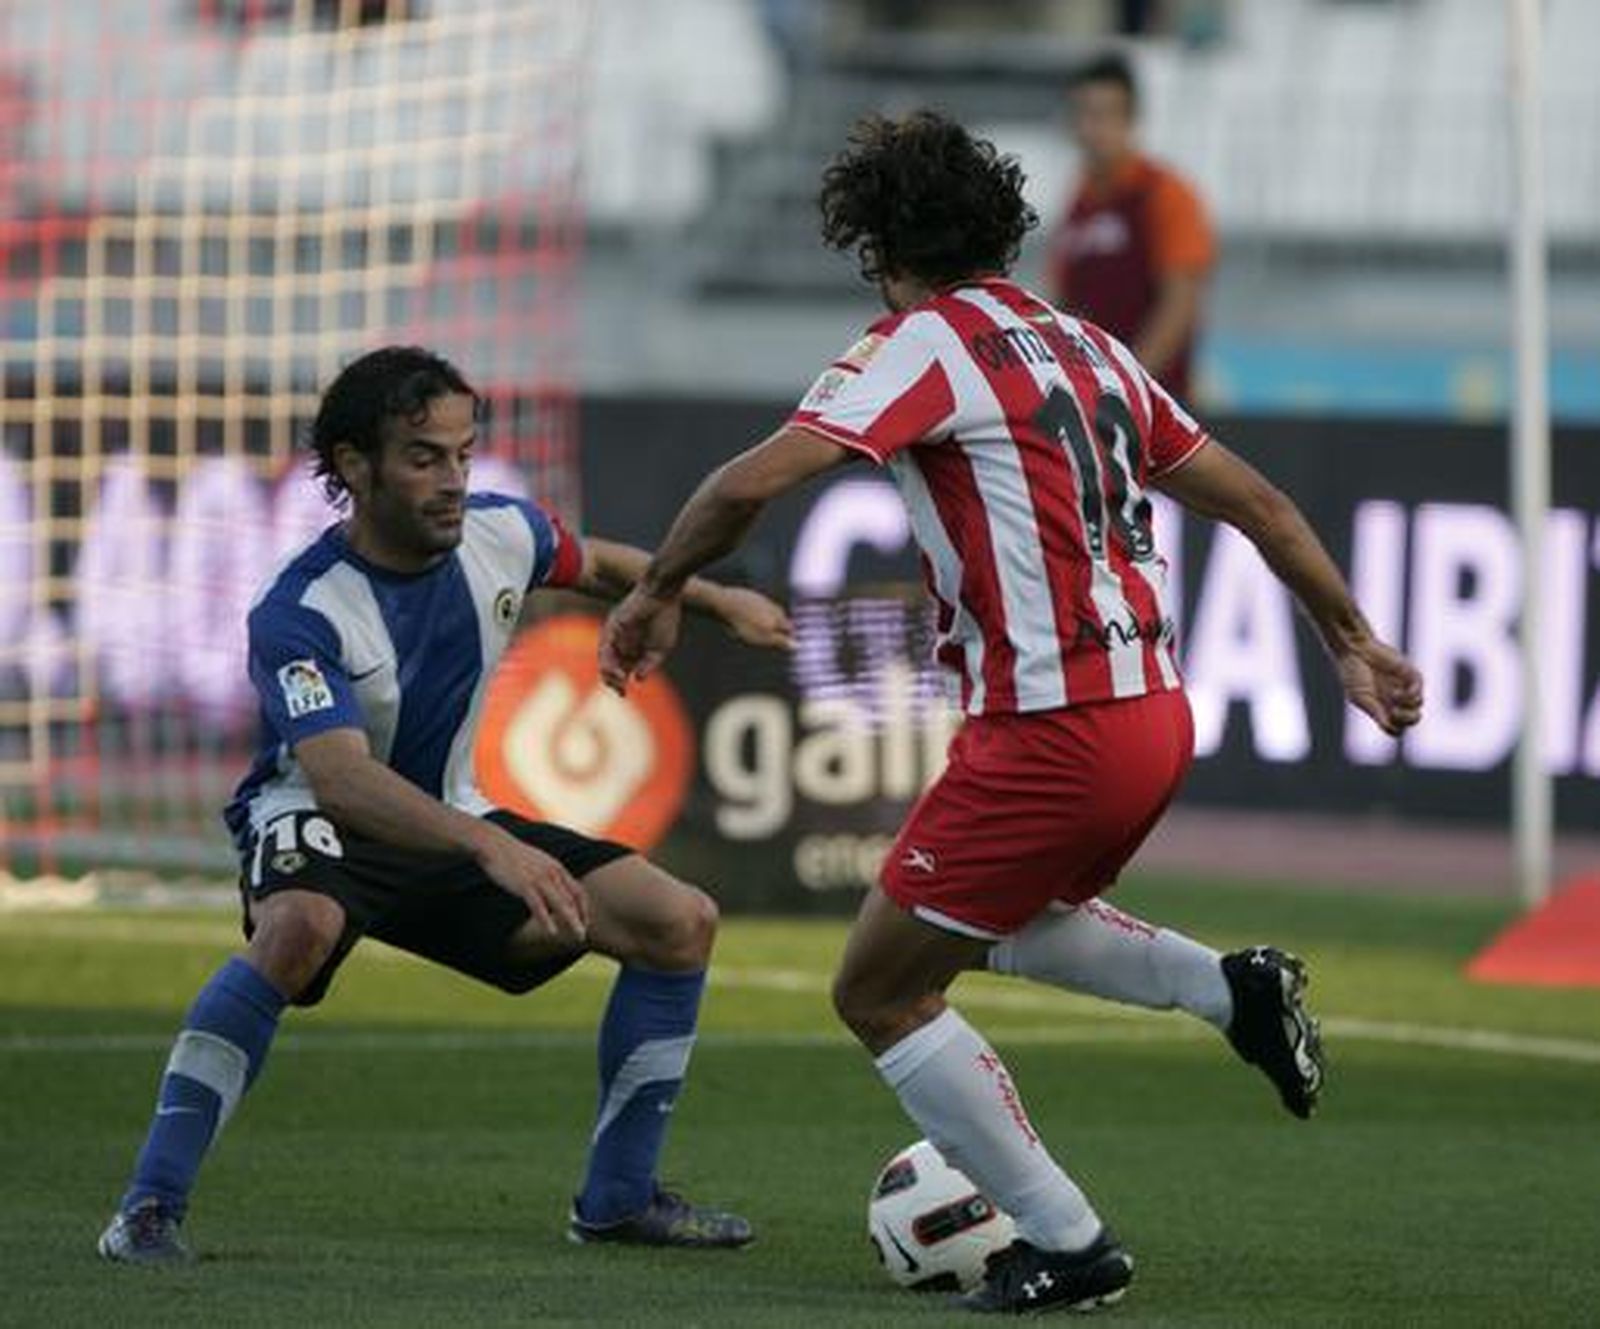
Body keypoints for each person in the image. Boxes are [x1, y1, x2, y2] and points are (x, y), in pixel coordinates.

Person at [599, 112, 1422, 1315]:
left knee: (878, 991)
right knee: (994, 922)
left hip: (1053, 729)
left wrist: (656, 592)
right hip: (1153, 715)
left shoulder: (919, 344)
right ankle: (1228, 990)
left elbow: (747, 483)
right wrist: (1350, 639)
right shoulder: (1090, 347)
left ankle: (1066, 1239)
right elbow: (1259, 504)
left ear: (881, 249)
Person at [98, 346, 792, 1264]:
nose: (454, 479)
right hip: (321, 818)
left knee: (679, 921)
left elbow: (596, 563)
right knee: (298, 928)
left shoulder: (499, 533)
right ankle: (147, 1210)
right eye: (425, 457)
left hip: (451, 819)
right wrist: (489, 846)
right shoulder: (300, 610)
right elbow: (341, 778)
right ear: (355, 466)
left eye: (463, 454)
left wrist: (711, 597)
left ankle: (618, 1202)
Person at [1048, 51, 1214, 402]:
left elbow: (1181, 303)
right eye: (1082, 114)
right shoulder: (1078, 202)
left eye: (1103, 115)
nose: (1090, 129)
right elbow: (1061, 302)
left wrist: (1130, 384)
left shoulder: (1166, 193)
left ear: (1130, 119)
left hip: (1158, 400)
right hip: (1096, 400)